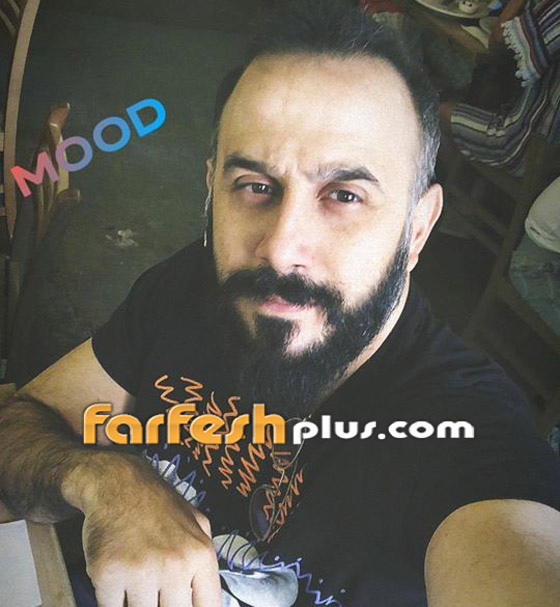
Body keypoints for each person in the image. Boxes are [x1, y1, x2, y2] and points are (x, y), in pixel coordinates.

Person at [1, 1, 560, 606]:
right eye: (255, 186)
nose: (280, 249)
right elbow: (20, 424)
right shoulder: (195, 284)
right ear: (211, 191)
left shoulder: (467, 438)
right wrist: (107, 481)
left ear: (418, 228)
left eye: (344, 195)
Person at [440, 0, 560, 176]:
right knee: (480, 93)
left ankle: (449, 183)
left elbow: (497, 40)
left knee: (438, 113)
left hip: (524, 147)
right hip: (551, 156)